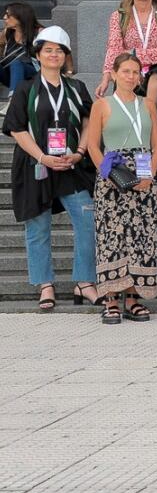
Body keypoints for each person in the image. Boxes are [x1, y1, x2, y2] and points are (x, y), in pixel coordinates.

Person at [7, 25, 98, 311]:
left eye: (59, 50)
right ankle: (45, 285)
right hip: (37, 165)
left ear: (66, 56)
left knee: (87, 221)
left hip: (72, 166)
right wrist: (43, 157)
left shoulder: (76, 88)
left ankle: (84, 282)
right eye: (48, 50)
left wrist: (80, 151)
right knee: (38, 226)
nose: (54, 55)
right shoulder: (25, 89)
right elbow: (16, 130)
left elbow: (88, 122)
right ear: (38, 55)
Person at [81, 53, 157, 323]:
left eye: (135, 72)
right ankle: (111, 299)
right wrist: (107, 173)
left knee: (140, 236)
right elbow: (93, 145)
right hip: (113, 173)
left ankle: (133, 296)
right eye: (126, 71)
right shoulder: (102, 105)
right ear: (114, 74)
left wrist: (149, 174)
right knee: (111, 237)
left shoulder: (148, 104)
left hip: (143, 171)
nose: (131, 76)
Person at [1, 1, 40, 94]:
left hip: (34, 76)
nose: (4, 17)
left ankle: (13, 101)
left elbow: (64, 51)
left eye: (8, 15)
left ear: (20, 17)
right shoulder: (7, 33)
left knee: (17, 63)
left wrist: (69, 71)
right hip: (11, 76)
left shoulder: (40, 33)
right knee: (15, 64)